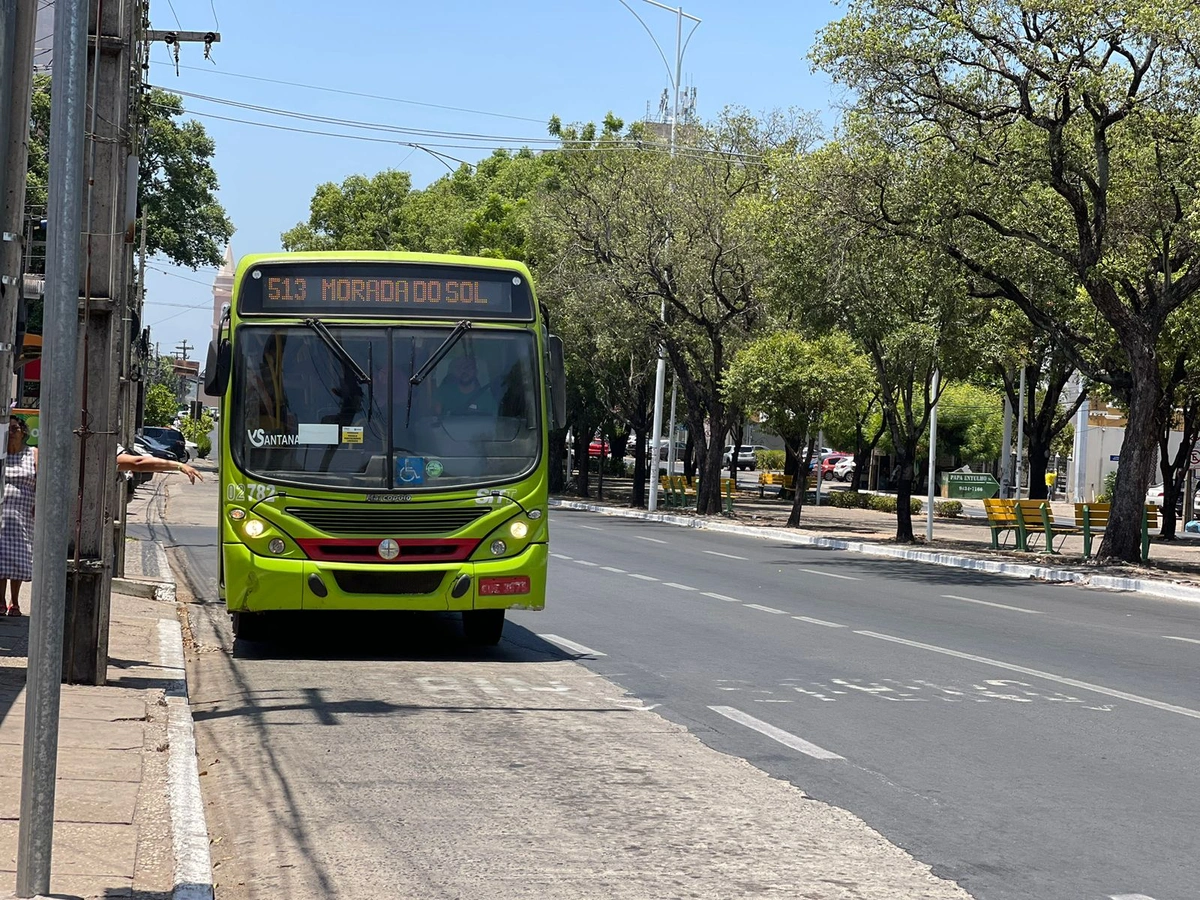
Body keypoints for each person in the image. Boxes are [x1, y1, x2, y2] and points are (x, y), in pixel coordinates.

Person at [0, 416, 36, 616]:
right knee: (1, 555)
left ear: (23, 432)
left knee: (19, 556)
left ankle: (15, 601)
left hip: (23, 513)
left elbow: (41, 480)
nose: (12, 432)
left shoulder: (33, 454)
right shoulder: (1, 455)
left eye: (15, 428)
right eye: (8, 429)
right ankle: (0, 601)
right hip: (1, 513)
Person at [117, 444, 203, 483]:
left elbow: (138, 463)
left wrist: (179, 466)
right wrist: (179, 466)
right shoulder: (105, 444)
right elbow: (138, 463)